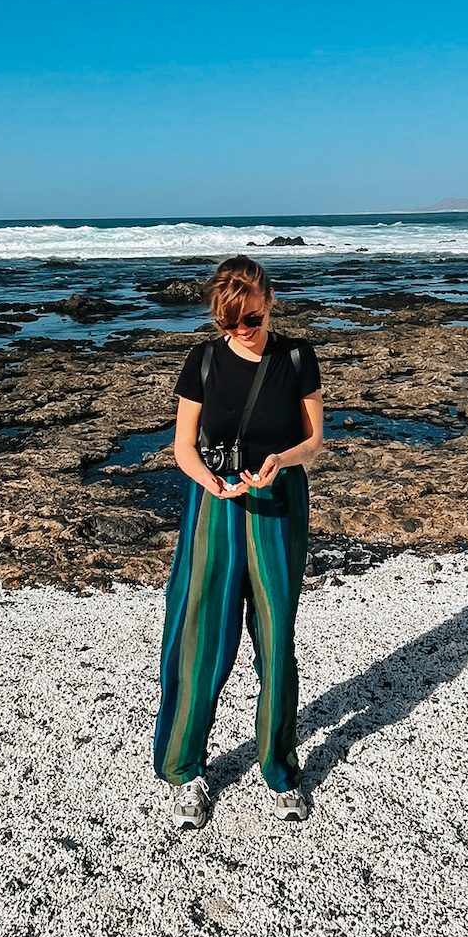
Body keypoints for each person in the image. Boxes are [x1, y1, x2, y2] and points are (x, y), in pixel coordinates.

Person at [153, 255, 324, 829]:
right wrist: (211, 482)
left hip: (278, 502)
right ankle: (184, 771)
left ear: (269, 301)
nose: (241, 331)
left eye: (249, 318)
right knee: (199, 632)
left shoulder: (297, 357)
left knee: (277, 635)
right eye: (229, 324)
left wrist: (281, 461)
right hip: (215, 507)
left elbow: (315, 440)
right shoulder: (202, 361)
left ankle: (279, 769)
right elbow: (183, 448)